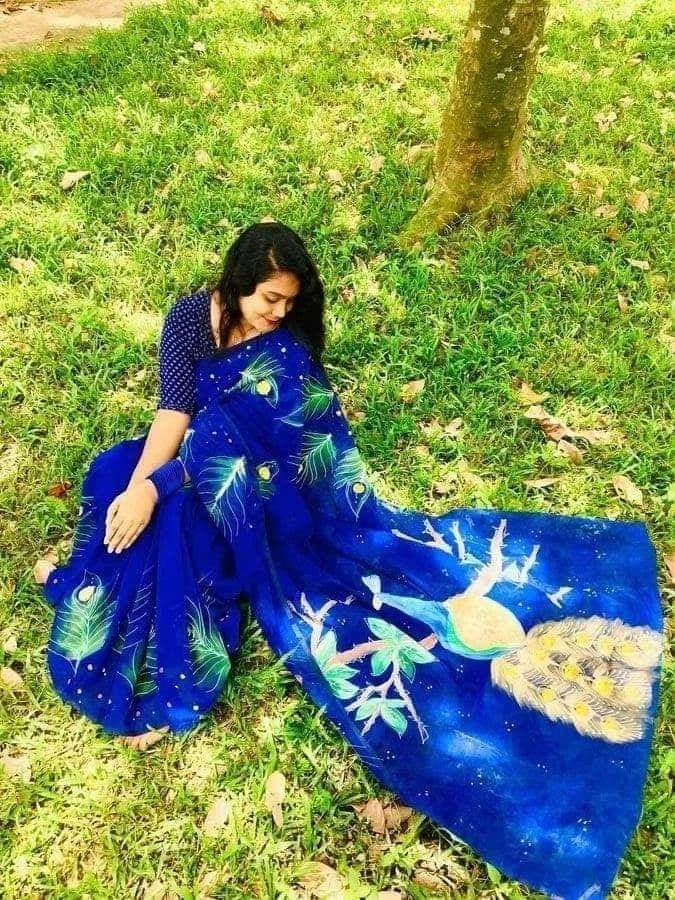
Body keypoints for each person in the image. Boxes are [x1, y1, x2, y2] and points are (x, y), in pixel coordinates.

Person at [36, 221, 664, 900]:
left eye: (289, 301)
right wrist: (143, 488)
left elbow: (290, 444)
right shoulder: (192, 318)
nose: (278, 313)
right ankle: (93, 578)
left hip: (272, 499)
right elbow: (175, 412)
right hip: (204, 466)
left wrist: (161, 485)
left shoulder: (287, 347)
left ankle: (100, 576)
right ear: (238, 284)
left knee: (175, 516)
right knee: (119, 482)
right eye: (268, 299)